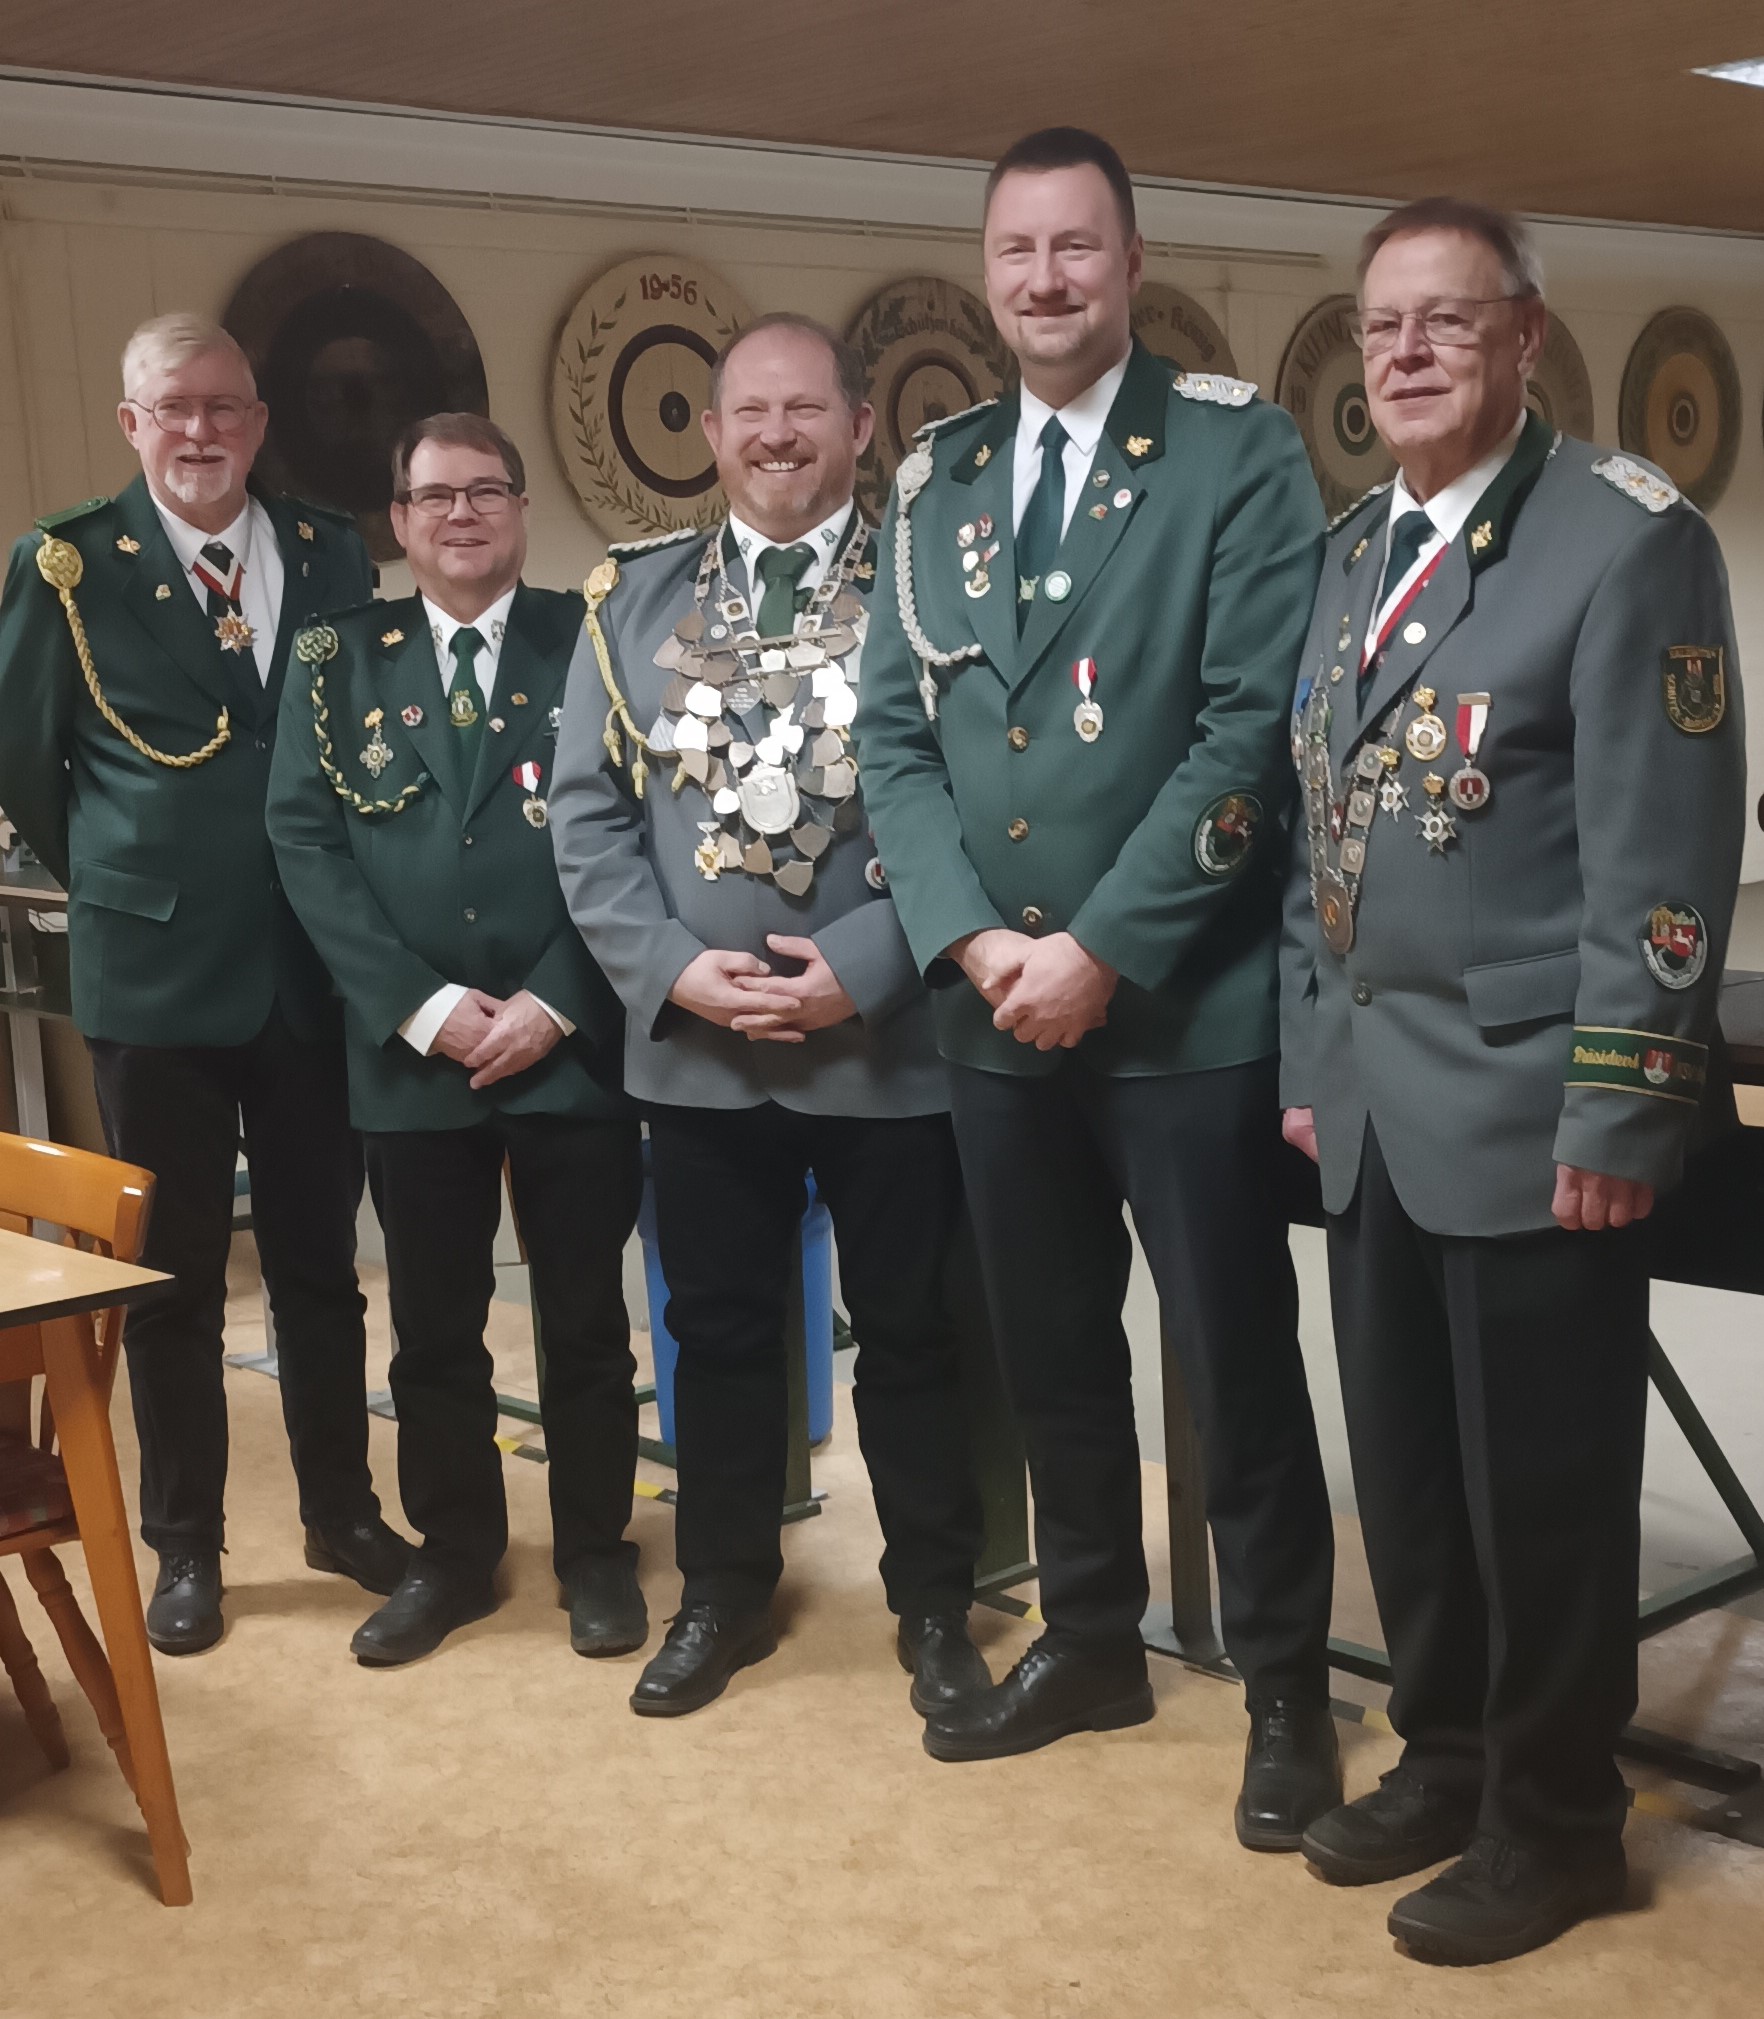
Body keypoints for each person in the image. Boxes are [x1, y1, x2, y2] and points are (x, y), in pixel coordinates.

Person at [856, 127, 1339, 1848]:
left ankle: (1285, 1683)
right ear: (986, 272)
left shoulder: (1233, 451)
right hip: (994, 1008)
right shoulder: (938, 475)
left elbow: (1248, 732)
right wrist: (974, 941)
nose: (1045, 279)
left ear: (1132, 264)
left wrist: (1102, 946)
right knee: (1052, 1346)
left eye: (1076, 247)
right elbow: (894, 737)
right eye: (1017, 250)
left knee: (1229, 1352)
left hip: (1178, 1008)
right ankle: (1088, 1639)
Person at [1279, 198, 1745, 1964]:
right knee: (1405, 1474)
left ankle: (1554, 1817)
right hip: (1375, 1107)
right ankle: (1448, 1752)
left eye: (1446, 321)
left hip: (1536, 1108)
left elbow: (1662, 863)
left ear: (1525, 338)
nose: (1404, 353)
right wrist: (1312, 1057)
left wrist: (1622, 1105)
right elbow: (1319, 837)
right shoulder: (1353, 552)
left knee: (1538, 1494)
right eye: (1381, 323)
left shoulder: (1622, 541)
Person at [548, 313, 988, 1721]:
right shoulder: (629, 602)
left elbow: (985, 808)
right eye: (750, 411)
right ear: (711, 433)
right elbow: (586, 821)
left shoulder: (933, 592)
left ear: (860, 428)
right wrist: (673, 969)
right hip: (700, 1049)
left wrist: (868, 962)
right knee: (716, 1331)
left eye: (805, 410)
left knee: (915, 1336)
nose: (776, 435)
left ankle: (935, 1601)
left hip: (889, 1044)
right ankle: (722, 1591)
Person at [0, 312, 405, 1655]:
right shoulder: (67, 565)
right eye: (173, 407)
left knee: (321, 1267)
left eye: (225, 405)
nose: (201, 430)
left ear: (259, 421)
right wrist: (131, 875)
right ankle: (187, 1545)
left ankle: (342, 1510)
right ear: (132, 423)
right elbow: (24, 761)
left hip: (310, 968)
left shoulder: (331, 549)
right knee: (170, 1277)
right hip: (157, 976)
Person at [267, 414, 641, 1666]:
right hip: (410, 1056)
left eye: (486, 490)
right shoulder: (336, 660)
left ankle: (596, 1550)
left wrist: (555, 999)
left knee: (584, 1322)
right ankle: (457, 1553)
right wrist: (423, 1007)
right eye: (434, 495)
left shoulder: (590, 640)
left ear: (521, 510)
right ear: (399, 520)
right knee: (432, 1329)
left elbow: (641, 828)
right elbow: (305, 840)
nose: (461, 514)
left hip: (569, 1046)